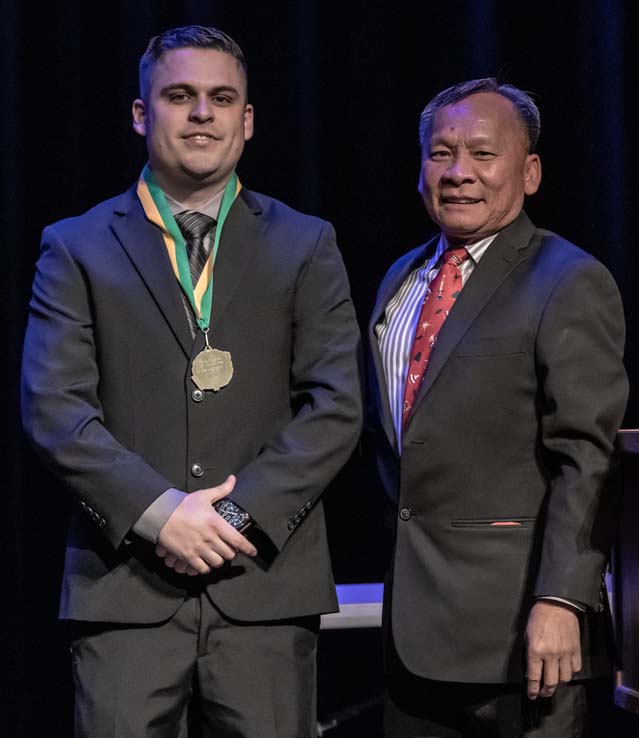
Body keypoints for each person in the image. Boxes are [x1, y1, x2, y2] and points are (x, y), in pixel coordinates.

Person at [21, 25, 362, 738]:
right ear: (143, 114)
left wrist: (231, 522)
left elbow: (333, 408)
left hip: (263, 588)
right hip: (125, 590)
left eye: (220, 98)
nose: (201, 113)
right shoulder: (75, 245)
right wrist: (160, 513)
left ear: (247, 121)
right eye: (179, 96)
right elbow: (54, 408)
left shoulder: (306, 243)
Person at [368, 78, 627, 737]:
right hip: (411, 638)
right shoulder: (398, 279)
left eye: (482, 154)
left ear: (529, 171)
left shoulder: (566, 280)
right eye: (440, 152)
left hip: (522, 639)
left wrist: (562, 599)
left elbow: (585, 457)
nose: (457, 173)